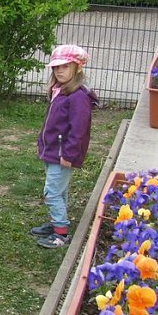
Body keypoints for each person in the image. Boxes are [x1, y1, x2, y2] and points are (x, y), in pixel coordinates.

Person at [31, 45, 98, 248]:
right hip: (53, 151)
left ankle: (61, 233)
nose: (59, 71)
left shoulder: (78, 97)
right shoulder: (60, 90)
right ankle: (56, 222)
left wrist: (69, 154)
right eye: (56, 67)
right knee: (60, 191)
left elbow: (78, 130)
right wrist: (43, 143)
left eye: (65, 66)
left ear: (77, 68)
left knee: (51, 192)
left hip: (63, 154)